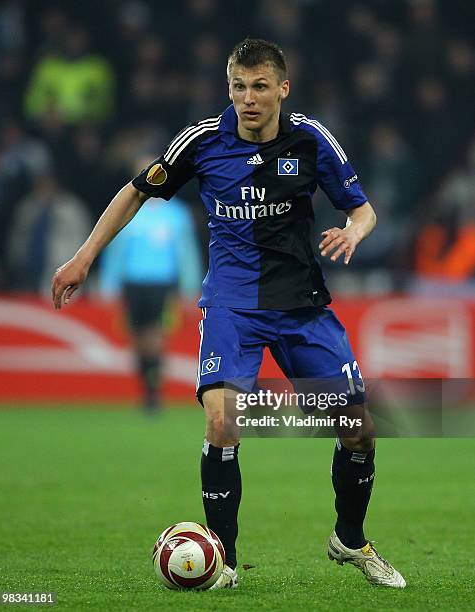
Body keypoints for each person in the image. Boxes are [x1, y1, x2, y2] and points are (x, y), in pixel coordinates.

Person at [52, 38, 405, 589]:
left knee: (358, 429)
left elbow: (363, 210)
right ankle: (225, 563)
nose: (248, 98)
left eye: (260, 86)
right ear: (229, 89)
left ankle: (351, 541)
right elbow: (134, 192)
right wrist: (83, 256)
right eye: (239, 87)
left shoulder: (311, 139)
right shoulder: (203, 141)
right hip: (232, 305)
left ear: (282, 89)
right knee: (223, 422)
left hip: (301, 306)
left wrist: (353, 231)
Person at [99, 188, 202, 412]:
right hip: (133, 281)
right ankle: (146, 384)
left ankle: (153, 390)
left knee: (156, 333)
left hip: (162, 282)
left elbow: (186, 252)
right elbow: (116, 248)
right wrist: (109, 283)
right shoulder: (128, 209)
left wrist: (190, 287)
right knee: (136, 336)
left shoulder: (177, 213)